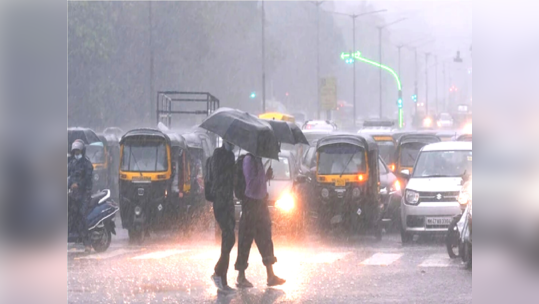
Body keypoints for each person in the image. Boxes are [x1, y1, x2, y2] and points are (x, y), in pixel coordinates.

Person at [235, 154, 286, 288]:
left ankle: (270, 275)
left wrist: (267, 176)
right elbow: (251, 185)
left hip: (261, 203)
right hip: (251, 204)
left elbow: (258, 184)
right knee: (245, 240)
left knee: (265, 239)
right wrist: (263, 177)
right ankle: (241, 276)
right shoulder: (248, 160)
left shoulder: (258, 160)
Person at [210, 141, 237, 293]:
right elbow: (218, 176)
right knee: (229, 237)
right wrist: (230, 168)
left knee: (228, 239)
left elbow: (232, 180)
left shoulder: (231, 156)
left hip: (228, 201)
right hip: (220, 201)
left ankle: (222, 277)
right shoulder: (218, 154)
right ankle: (218, 273)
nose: (232, 144)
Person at [68, 140, 94, 253]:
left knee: (81, 215)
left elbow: (87, 180)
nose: (76, 154)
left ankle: (87, 243)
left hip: (84, 194)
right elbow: (67, 175)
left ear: (82, 151)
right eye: (75, 152)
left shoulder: (87, 164)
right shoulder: (72, 163)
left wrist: (78, 184)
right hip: (73, 194)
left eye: (78, 151)